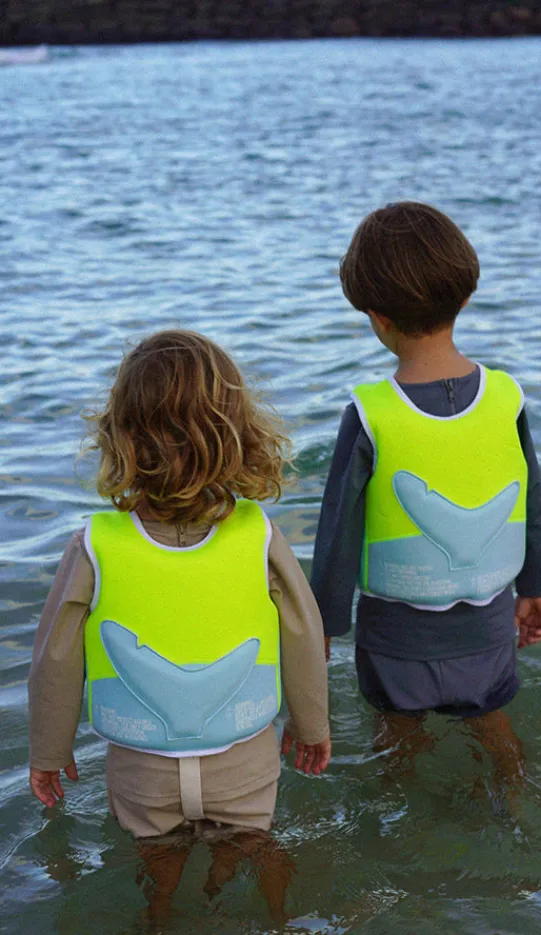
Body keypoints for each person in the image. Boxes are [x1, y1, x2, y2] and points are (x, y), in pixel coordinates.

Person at [28, 329, 330, 924]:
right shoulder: (258, 535)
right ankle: (275, 919)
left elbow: (56, 658)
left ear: (121, 439)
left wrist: (49, 750)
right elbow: (302, 633)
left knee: (157, 859)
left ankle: (161, 920)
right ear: (236, 435)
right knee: (252, 845)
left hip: (143, 767)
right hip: (242, 759)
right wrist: (311, 725)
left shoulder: (94, 545)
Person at [311, 202, 541, 796]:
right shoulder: (506, 397)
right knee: (490, 720)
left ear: (376, 318)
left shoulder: (369, 414)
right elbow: (531, 499)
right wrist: (537, 587)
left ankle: (407, 826)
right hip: (489, 622)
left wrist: (322, 623)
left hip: (397, 634)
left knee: (399, 734)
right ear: (465, 298)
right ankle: (513, 803)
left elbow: (339, 531)